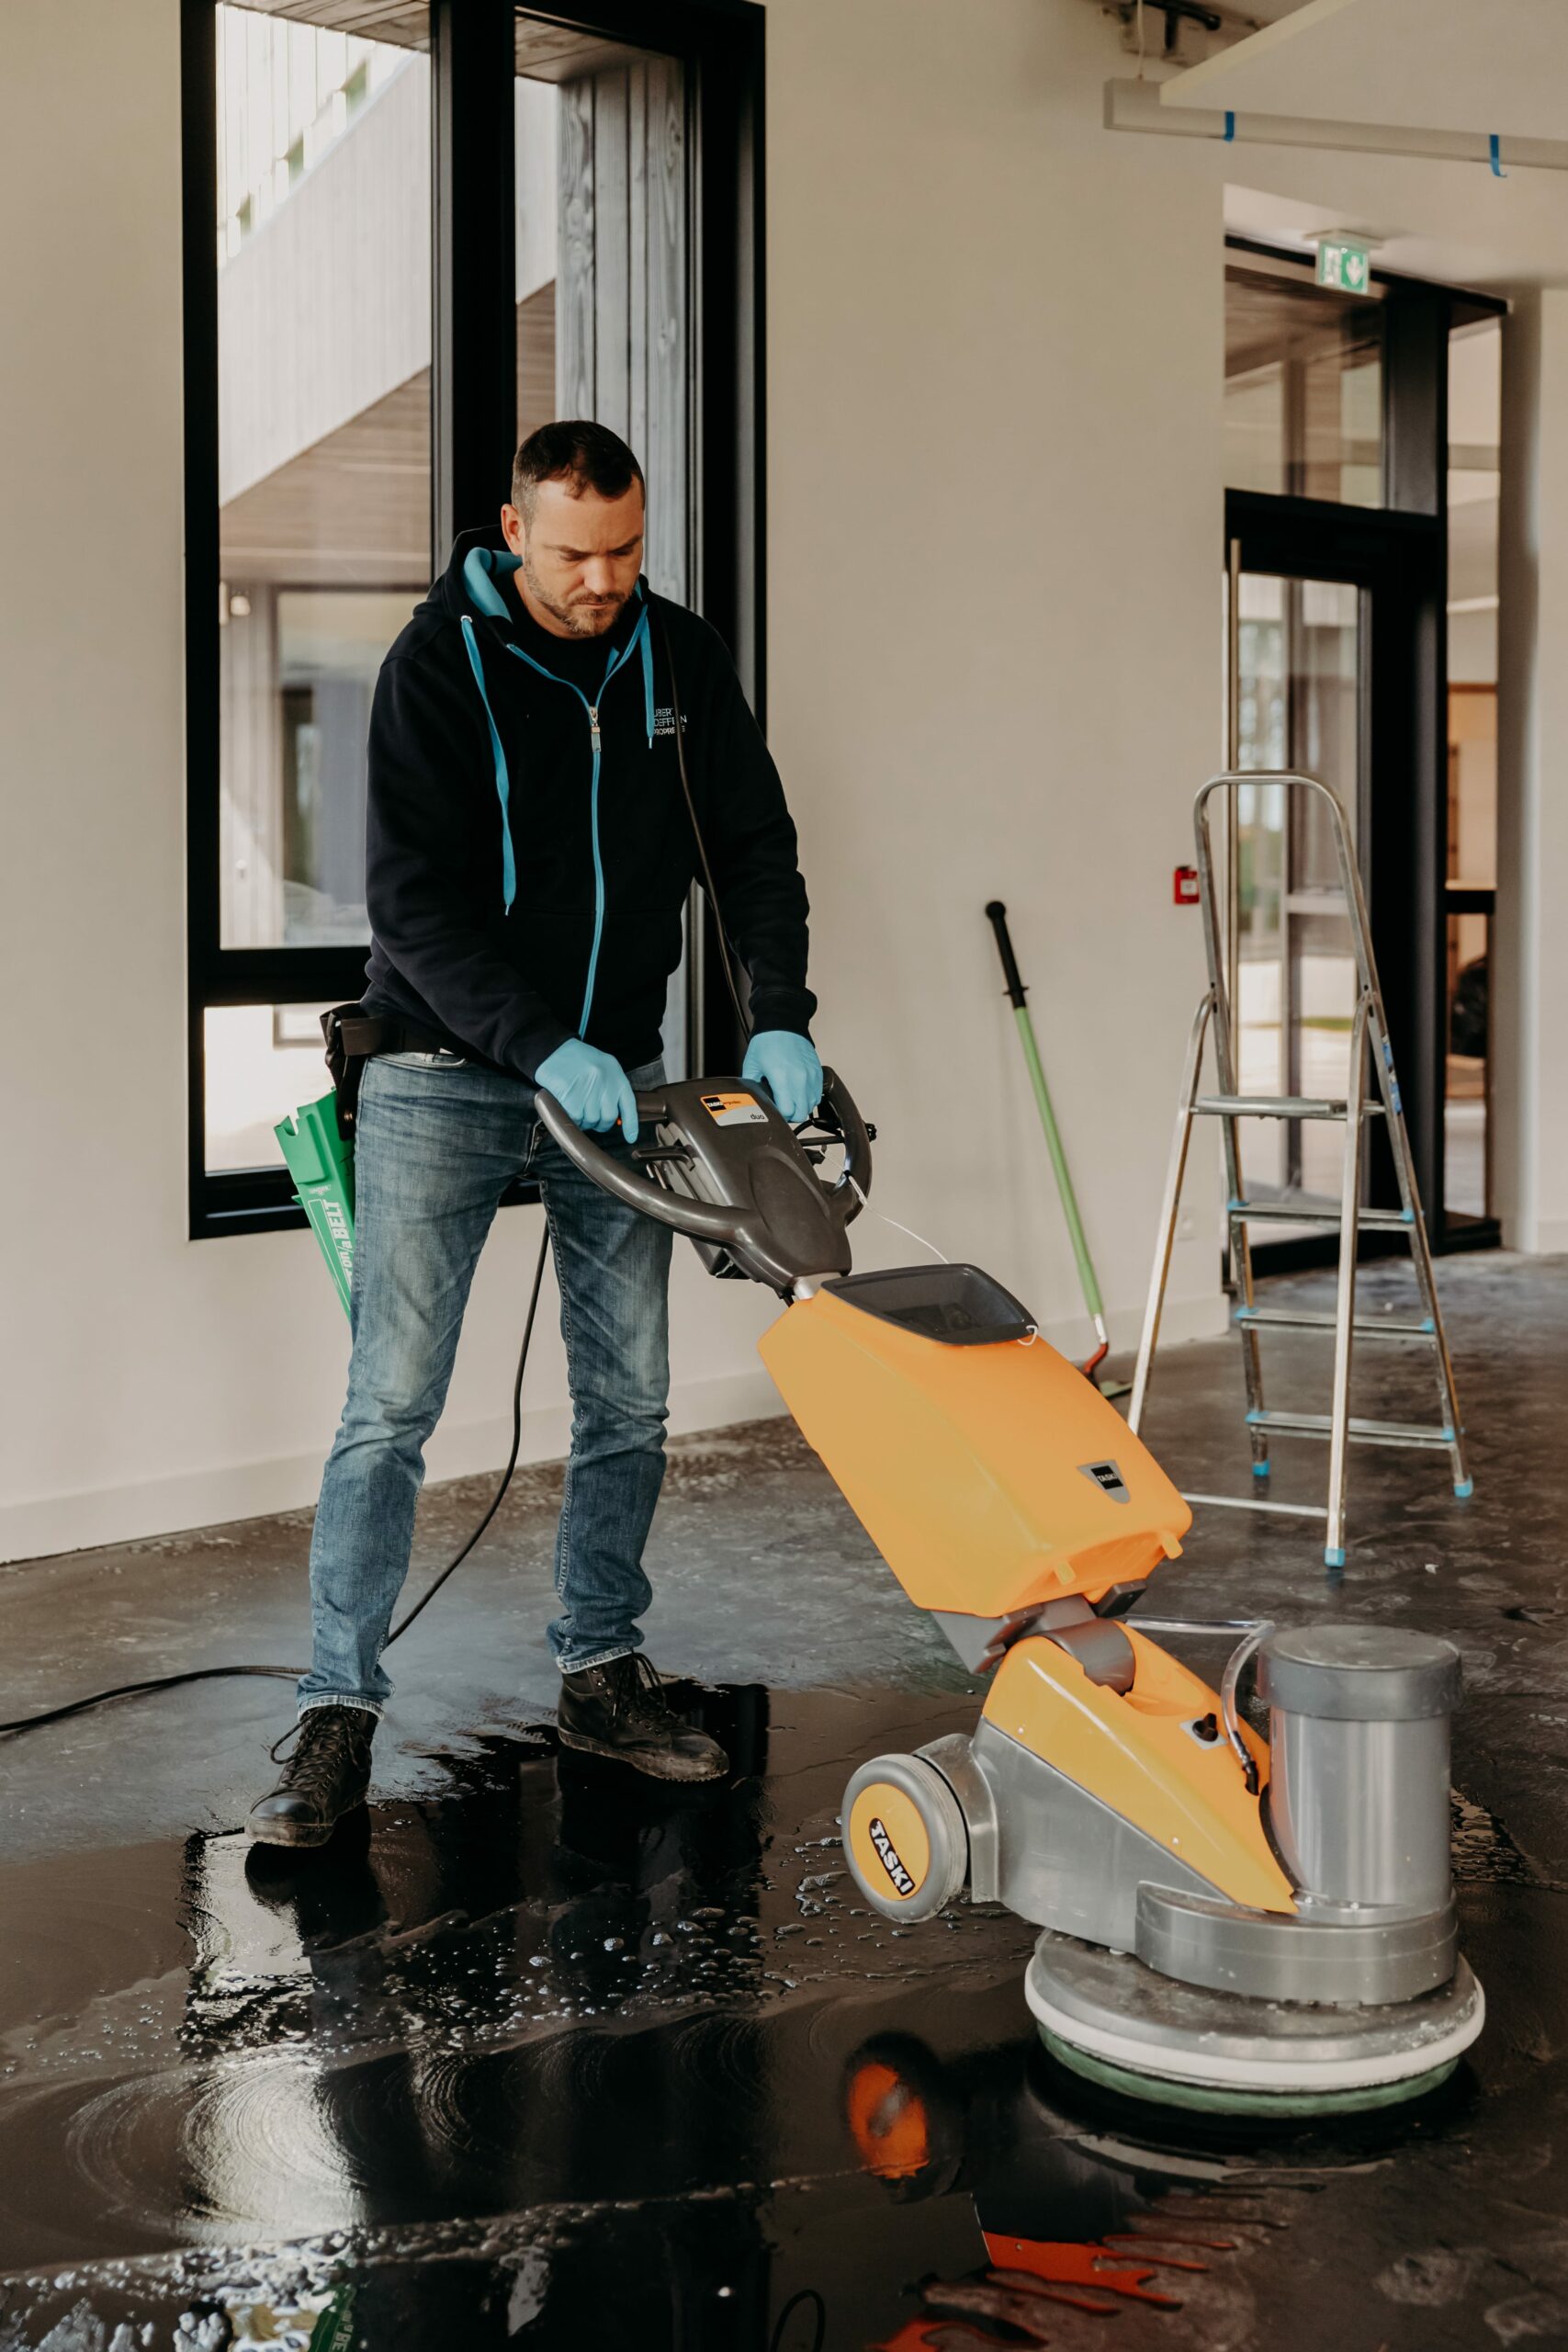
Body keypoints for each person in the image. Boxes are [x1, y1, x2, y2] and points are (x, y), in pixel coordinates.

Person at [248, 421, 818, 1848]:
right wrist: (533, 1041)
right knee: (391, 1404)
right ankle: (335, 1709)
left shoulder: (676, 659)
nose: (603, 580)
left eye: (626, 550)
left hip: (620, 1072)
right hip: (446, 1069)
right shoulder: (435, 667)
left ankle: (601, 1670)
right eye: (575, 553)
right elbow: (411, 904)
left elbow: (752, 847)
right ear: (513, 527)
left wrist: (779, 1012)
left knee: (628, 1392)